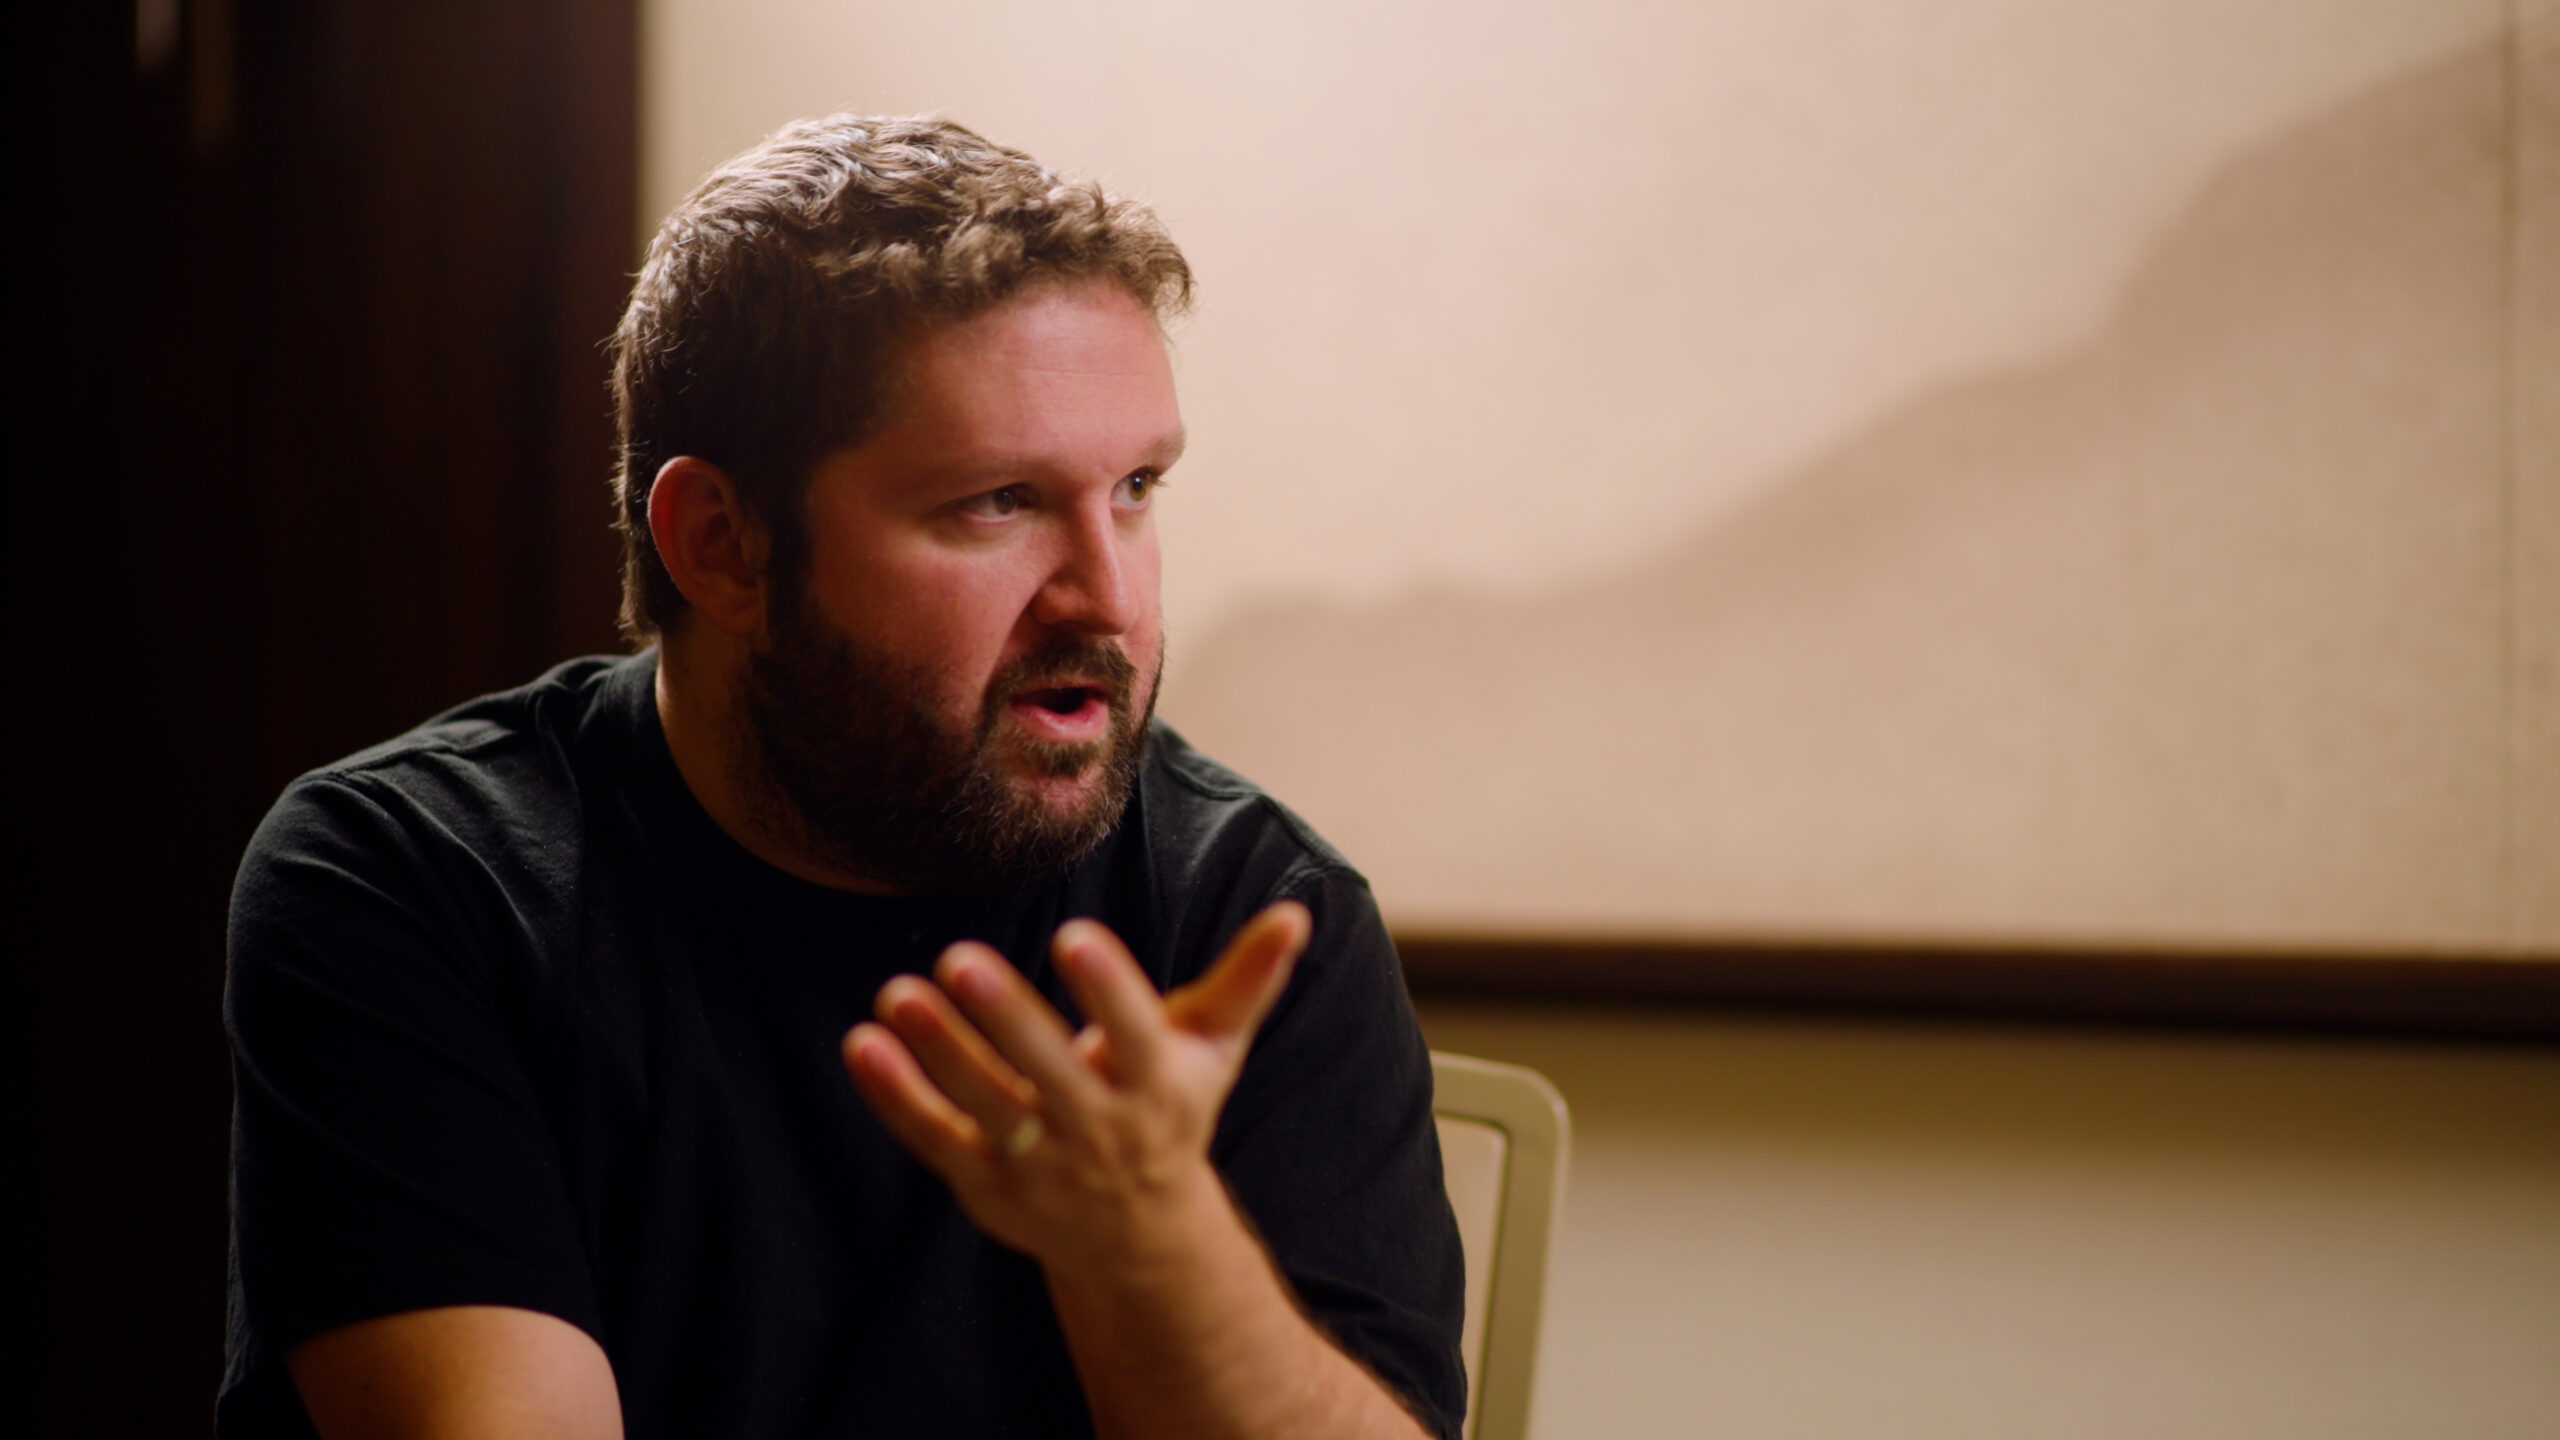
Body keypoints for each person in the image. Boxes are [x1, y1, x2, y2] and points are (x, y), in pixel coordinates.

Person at [220, 115, 1466, 1439]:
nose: (1109, 597)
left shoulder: (1256, 920)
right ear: (723, 544)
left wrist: (1155, 1246)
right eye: (998, 501)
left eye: (1137, 487)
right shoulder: (415, 880)